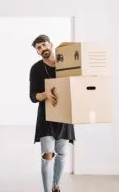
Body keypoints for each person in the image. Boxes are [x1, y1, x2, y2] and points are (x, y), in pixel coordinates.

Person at [29, 35, 75, 192]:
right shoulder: (36, 69)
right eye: (39, 48)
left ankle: (55, 185)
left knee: (62, 153)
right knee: (47, 155)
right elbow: (32, 96)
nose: (42, 49)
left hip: (65, 115)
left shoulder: (67, 64)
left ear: (51, 44)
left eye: (44, 45)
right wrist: (45, 95)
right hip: (46, 117)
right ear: (37, 52)